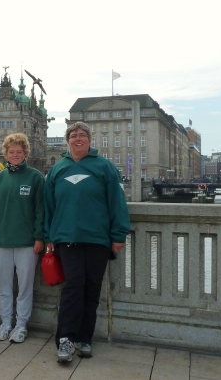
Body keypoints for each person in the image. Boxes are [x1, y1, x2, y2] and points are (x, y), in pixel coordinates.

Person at [44, 121, 130, 363]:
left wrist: (118, 234)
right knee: (73, 287)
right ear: (68, 141)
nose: (78, 139)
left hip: (97, 239)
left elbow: (117, 202)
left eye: (82, 135)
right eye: (73, 135)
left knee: (92, 289)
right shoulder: (58, 169)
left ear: (89, 140)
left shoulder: (105, 167)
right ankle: (65, 339)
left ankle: (84, 338)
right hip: (67, 238)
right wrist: (48, 234)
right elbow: (48, 205)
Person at [0, 133, 44, 344]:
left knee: (25, 286)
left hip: (27, 242)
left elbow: (40, 210)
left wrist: (39, 237)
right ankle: (6, 322)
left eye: (19, 151)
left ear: (25, 153)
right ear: (6, 154)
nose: (15, 155)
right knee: (4, 285)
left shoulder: (36, 177)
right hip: (2, 241)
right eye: (11, 152)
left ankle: (21, 324)